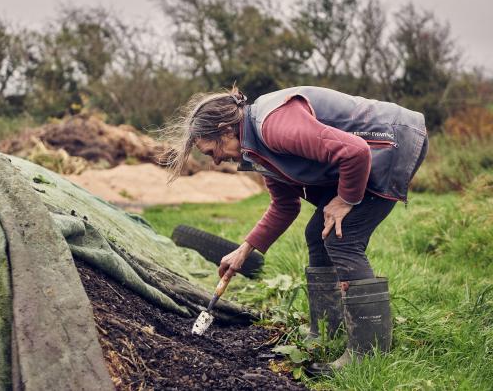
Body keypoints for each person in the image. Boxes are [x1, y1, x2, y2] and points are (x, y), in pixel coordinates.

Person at [162, 85, 428, 375]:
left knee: (343, 237)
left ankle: (368, 354)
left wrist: (345, 200)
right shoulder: (257, 150)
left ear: (226, 129)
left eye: (212, 150)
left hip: (391, 142)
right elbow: (284, 206)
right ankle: (326, 330)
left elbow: (355, 151)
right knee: (317, 233)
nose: (215, 160)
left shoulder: (274, 126)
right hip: (370, 152)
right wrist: (243, 250)